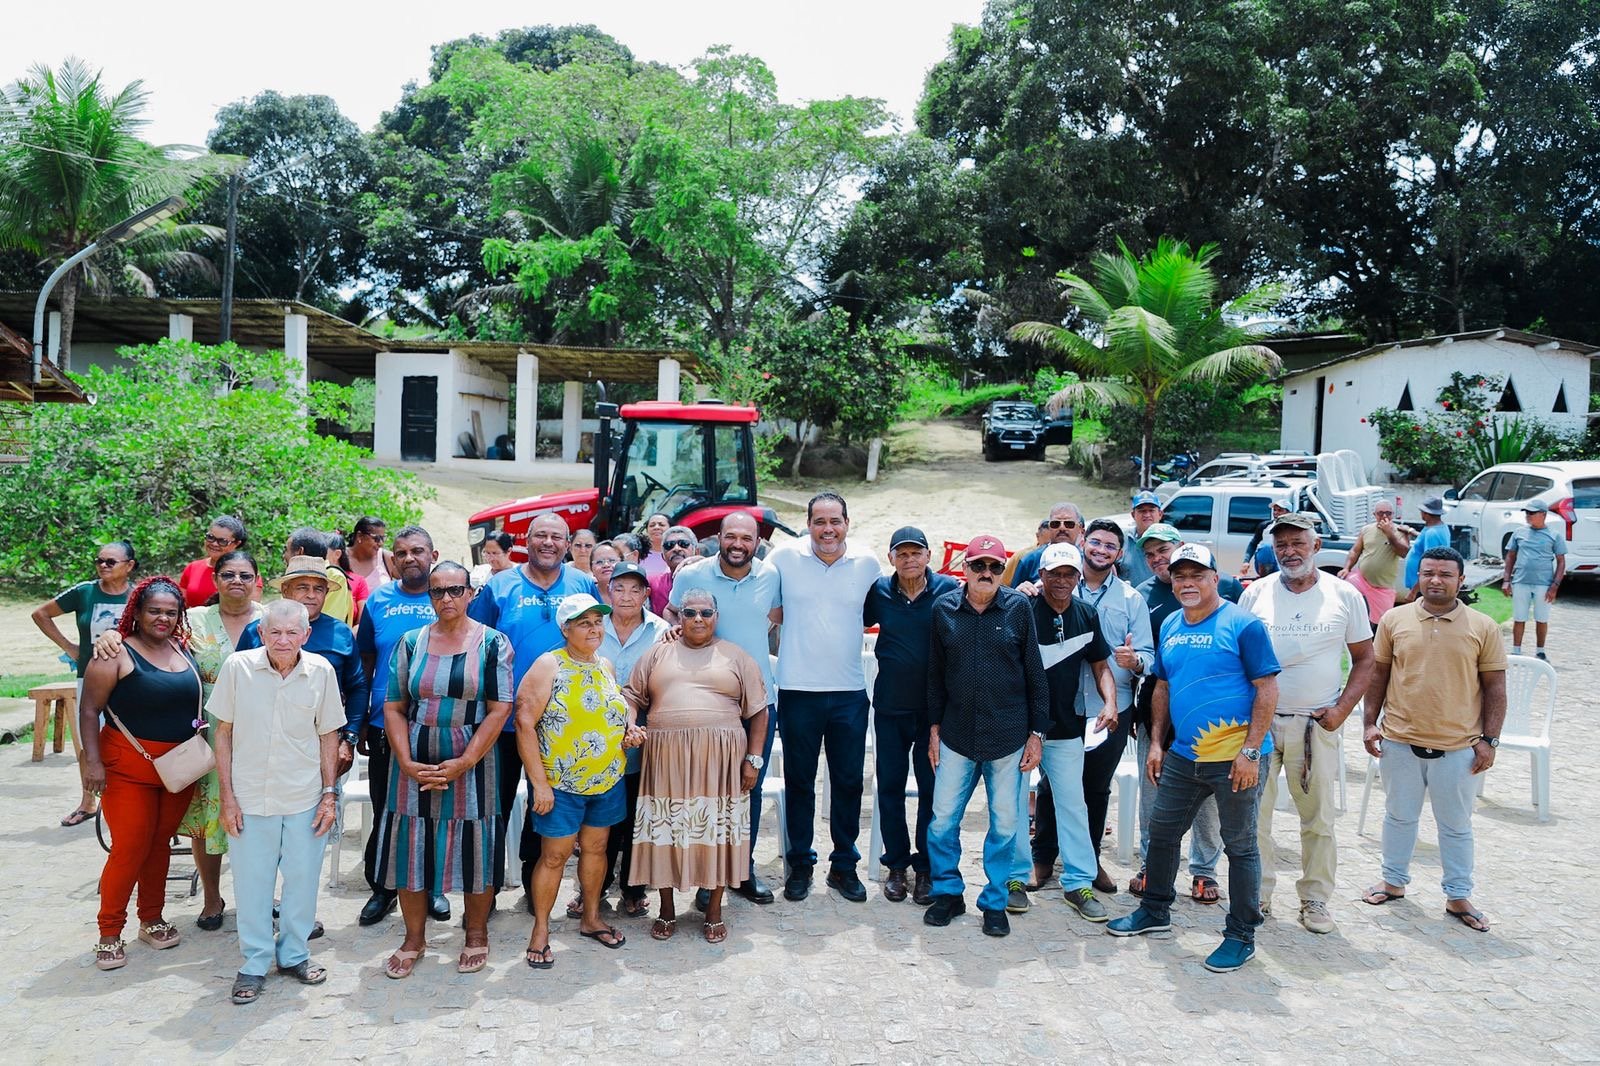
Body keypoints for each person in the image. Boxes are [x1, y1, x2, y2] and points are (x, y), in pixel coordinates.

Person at [1108, 544, 1280, 973]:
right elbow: (1163, 687)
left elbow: (1267, 688)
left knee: (1240, 846)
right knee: (1163, 833)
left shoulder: (1243, 624)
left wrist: (1251, 751)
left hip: (1235, 757)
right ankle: (1155, 910)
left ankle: (1241, 934)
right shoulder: (1169, 623)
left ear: (1214, 578)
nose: (1187, 583)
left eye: (1197, 575)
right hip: (1183, 754)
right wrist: (1155, 744)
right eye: (1180, 575)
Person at [93, 550, 262, 931]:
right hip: (167, 754)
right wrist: (110, 634)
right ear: (214, 579)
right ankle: (116, 929)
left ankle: (157, 918)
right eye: (228, 574)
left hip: (227, 746)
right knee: (155, 839)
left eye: (245, 574)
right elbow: (93, 706)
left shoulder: (265, 621)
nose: (237, 581)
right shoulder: (190, 624)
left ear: (257, 579)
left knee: (169, 841)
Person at [374, 561, 515, 978]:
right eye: (438, 592)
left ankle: (475, 933)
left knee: (474, 843)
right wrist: (404, 760)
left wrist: (466, 760)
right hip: (413, 756)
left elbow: (500, 706)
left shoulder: (492, 643)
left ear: (470, 593)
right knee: (410, 844)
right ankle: (414, 938)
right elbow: (394, 705)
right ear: (429, 596)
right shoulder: (410, 642)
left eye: (456, 590)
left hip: (473, 756)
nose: (447, 599)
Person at [1240, 513, 1374, 934]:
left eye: (1298, 543)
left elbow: (1366, 659)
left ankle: (1315, 898)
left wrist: (1340, 712)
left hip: (1314, 724)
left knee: (1317, 818)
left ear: (1316, 546)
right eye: (1281, 545)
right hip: (1258, 726)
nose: (1289, 552)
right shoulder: (1256, 594)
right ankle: (1255, 893)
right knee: (1252, 815)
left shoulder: (1343, 595)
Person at [1362, 546, 1506, 933]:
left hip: (1459, 746)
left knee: (1456, 825)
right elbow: (1378, 675)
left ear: (1461, 580)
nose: (1435, 580)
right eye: (1428, 573)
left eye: (1445, 574)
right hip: (1400, 740)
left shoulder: (1482, 626)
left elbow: (1495, 687)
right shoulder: (1394, 620)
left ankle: (1458, 895)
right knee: (1398, 816)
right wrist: (1369, 724)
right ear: (1417, 577)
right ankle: (1393, 882)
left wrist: (1489, 740)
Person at [210, 599, 345, 1005]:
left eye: (292, 633)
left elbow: (328, 736)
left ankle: (294, 955)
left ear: (305, 635)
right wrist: (227, 798)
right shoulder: (238, 669)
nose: (282, 640)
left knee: (303, 882)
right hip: (249, 796)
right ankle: (253, 963)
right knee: (252, 885)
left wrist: (328, 795)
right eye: (275, 632)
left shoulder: (321, 671)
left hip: (304, 795)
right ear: (262, 633)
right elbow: (223, 734)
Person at [625, 589, 769, 943]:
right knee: (665, 829)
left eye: (706, 612)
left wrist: (753, 759)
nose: (698, 619)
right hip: (666, 759)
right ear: (680, 617)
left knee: (717, 831)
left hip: (721, 761)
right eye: (690, 612)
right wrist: (630, 724)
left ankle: (715, 909)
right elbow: (631, 695)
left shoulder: (736, 656)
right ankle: (667, 909)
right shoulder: (659, 652)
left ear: (716, 616)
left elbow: (759, 710)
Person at [469, 513, 600, 894]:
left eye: (556, 537)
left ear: (567, 543)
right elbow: (478, 640)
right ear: (526, 540)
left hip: (563, 724)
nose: (548, 543)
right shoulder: (501, 586)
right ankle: (485, 890)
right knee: (495, 806)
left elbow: (594, 636)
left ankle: (532, 884)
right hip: (505, 720)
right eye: (540, 535)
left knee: (544, 806)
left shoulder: (581, 584)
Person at [925, 535, 1047, 938]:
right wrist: (933, 729)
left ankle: (994, 901)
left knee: (1005, 825)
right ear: (965, 568)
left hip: (1008, 736)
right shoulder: (944, 609)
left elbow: (1035, 675)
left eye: (995, 566)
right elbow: (935, 677)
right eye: (979, 565)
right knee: (942, 820)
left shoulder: (1018, 609)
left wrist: (1036, 734)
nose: (987, 574)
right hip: (957, 732)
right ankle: (948, 892)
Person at [80, 576, 203, 971]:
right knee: (129, 848)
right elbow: (88, 711)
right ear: (137, 611)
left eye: (171, 612)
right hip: (126, 768)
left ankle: (151, 918)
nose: (163, 618)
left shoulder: (183, 648)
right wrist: (92, 763)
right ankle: (108, 932)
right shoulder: (113, 653)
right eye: (155, 611)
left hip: (177, 771)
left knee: (159, 844)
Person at [765, 491, 881, 903]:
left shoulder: (867, 564)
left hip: (849, 691)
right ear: (808, 523)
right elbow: (769, 611)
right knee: (799, 782)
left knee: (849, 781)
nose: (827, 530)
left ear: (847, 523)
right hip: (798, 690)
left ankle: (844, 865)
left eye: (835, 521)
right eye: (819, 521)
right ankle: (800, 863)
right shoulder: (782, 559)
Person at [1027, 519, 1153, 896]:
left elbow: (1146, 653)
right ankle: (1043, 856)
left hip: (1108, 707)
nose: (1101, 550)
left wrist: (1135, 661)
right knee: (1051, 785)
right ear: (1083, 544)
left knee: (1095, 789)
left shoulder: (1131, 599)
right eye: (1095, 543)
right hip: (1060, 703)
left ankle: (1089, 859)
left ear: (1120, 553)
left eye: (1110, 546)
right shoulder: (1053, 584)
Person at [669, 511, 784, 905]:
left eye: (746, 538)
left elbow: (776, 618)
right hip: (703, 702)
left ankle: (741, 870)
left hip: (755, 704)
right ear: (718, 537)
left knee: (746, 785)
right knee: (706, 791)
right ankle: (706, 878)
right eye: (730, 536)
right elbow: (673, 613)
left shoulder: (771, 576)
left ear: (757, 542)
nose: (738, 544)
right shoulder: (690, 574)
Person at [515, 594, 636, 968]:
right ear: (565, 629)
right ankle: (540, 930)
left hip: (605, 781)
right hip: (560, 783)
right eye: (584, 623)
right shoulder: (549, 665)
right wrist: (539, 784)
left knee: (597, 851)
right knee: (554, 857)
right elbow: (523, 722)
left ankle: (591, 917)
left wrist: (629, 732)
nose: (594, 629)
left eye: (598, 622)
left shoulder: (606, 666)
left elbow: (612, 714)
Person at [1129, 523, 1237, 903]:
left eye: (1165, 550)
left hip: (1210, 716)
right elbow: (1151, 667)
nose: (1158, 558)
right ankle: (1151, 863)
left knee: (1207, 797)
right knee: (1153, 791)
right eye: (1151, 553)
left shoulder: (1229, 592)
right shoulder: (1142, 596)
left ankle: (1204, 869)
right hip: (1158, 712)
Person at [1015, 543, 1119, 922]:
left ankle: (1078, 883)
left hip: (1066, 726)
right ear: (1040, 576)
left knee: (1073, 805)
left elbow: (1100, 666)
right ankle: (1014, 878)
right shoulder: (1020, 607)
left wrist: (1110, 703)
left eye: (1068, 574)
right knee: (1012, 805)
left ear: (1079, 578)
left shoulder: (1086, 614)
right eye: (1053, 574)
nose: (1061, 581)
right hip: (1017, 727)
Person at [863, 526, 959, 905]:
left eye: (915, 552)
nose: (909, 559)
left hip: (935, 711)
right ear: (891, 559)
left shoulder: (949, 590)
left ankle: (925, 868)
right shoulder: (880, 592)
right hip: (890, 706)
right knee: (889, 787)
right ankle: (897, 866)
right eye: (901, 554)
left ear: (928, 555)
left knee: (931, 790)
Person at [354, 527, 440, 926]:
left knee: (436, 810)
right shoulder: (378, 601)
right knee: (387, 809)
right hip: (385, 723)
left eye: (417, 551)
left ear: (432, 555)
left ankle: (434, 887)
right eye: (401, 552)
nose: (409, 558)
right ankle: (383, 888)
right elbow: (366, 661)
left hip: (440, 724)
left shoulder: (449, 597)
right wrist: (365, 719)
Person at [32, 539, 137, 828]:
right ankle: (88, 803)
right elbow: (40, 614)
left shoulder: (139, 595)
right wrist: (70, 647)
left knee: (133, 741)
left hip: (132, 679)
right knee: (88, 742)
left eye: (110, 562)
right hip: (90, 678)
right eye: (99, 561)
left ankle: (129, 802)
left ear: (129, 566)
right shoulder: (84, 592)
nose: (103, 566)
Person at [592, 561, 669, 919]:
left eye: (634, 589)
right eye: (619, 587)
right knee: (600, 818)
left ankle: (633, 888)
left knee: (638, 817)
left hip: (645, 739)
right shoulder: (592, 627)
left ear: (645, 594)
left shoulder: (661, 631)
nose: (626, 595)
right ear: (608, 591)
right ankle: (595, 886)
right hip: (596, 740)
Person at [1503, 500, 1566, 660]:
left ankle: (1540, 650)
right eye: (1527, 513)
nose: (1528, 516)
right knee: (1519, 617)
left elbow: (1561, 561)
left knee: (1542, 618)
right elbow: (1510, 556)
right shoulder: (1519, 533)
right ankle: (1516, 650)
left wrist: (1555, 585)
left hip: (1544, 583)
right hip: (1521, 580)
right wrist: (1506, 580)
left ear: (1543, 514)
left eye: (1532, 513)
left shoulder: (1554, 535)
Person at [1339, 500, 1413, 624]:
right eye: (1380, 513)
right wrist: (1346, 568)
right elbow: (1355, 551)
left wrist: (1390, 534)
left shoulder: (1400, 531)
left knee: (1382, 623)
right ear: (1374, 515)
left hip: (1382, 588)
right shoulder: (1366, 530)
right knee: (1345, 598)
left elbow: (1403, 552)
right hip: (1361, 580)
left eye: (1388, 513)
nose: (1384, 516)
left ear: (1393, 514)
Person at [178, 516, 259, 607]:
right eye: (210, 537)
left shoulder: (246, 574)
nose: (214, 544)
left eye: (222, 541)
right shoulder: (192, 568)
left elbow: (251, 612)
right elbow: (180, 606)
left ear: (236, 544)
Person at [1008, 502, 1085, 587]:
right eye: (1055, 524)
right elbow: (1013, 595)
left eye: (1069, 524)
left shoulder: (1088, 562)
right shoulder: (1030, 560)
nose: (1062, 528)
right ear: (1049, 527)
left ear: (1080, 529)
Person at [1400, 495, 1451, 600]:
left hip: (1422, 588)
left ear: (1427, 514)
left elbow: (1430, 566)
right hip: (1421, 586)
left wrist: (1413, 592)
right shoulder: (1438, 527)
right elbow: (1424, 538)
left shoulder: (1432, 533)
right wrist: (1410, 531)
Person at [648, 524, 697, 615]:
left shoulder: (710, 577)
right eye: (669, 545)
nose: (677, 549)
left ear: (696, 551)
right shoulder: (653, 582)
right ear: (663, 556)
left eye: (684, 544)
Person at [1238, 498, 1292, 579]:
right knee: (1266, 547)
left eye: (1280, 510)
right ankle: (1266, 578)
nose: (1276, 513)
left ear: (1288, 512)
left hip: (1284, 563)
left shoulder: (1295, 529)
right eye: (1275, 510)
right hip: (1266, 564)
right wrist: (1246, 562)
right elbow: (1253, 544)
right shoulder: (1265, 526)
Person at [1119, 491, 1164, 587]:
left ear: (1160, 514)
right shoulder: (1122, 539)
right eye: (1141, 511)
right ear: (1133, 515)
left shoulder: (1169, 541)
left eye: (1151, 510)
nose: (1147, 515)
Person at [324, 532, 372, 622]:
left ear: (337, 554)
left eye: (323, 552)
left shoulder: (357, 581)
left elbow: (361, 621)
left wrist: (348, 634)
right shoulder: (315, 576)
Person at [349, 516, 396, 591]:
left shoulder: (386, 558)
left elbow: (413, 579)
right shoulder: (340, 558)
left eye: (383, 538)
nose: (381, 543)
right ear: (360, 536)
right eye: (376, 538)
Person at [999, 519, 1051, 587]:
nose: (1049, 548)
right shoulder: (1022, 557)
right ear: (1037, 536)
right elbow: (1002, 585)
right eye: (1047, 544)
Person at [590, 541, 622, 606]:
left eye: (612, 561)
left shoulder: (634, 592)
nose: (606, 565)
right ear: (591, 569)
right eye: (599, 562)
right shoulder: (586, 594)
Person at [639, 513, 672, 578]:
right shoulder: (638, 554)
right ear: (647, 530)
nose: (656, 527)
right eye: (652, 525)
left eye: (661, 525)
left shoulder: (676, 554)